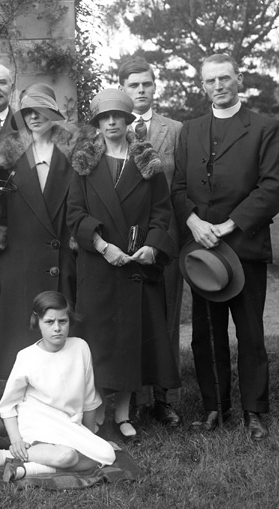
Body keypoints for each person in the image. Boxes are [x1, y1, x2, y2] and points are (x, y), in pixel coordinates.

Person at [171, 54, 279, 440]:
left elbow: (273, 187)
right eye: (210, 81)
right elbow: (178, 189)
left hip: (244, 245)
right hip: (202, 248)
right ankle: (214, 408)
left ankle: (255, 410)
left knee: (250, 332)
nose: (218, 86)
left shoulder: (264, 127)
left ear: (238, 80)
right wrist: (194, 222)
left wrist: (228, 225)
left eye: (225, 78)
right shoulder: (190, 130)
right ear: (202, 86)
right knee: (206, 333)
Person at [66, 88, 180, 440]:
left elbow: (163, 213)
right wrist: (101, 245)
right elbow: (74, 214)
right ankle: (96, 409)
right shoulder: (84, 164)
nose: (111, 122)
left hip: (135, 266)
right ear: (97, 123)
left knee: (131, 339)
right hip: (99, 267)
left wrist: (151, 247)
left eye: (117, 116)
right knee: (98, 341)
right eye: (104, 118)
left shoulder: (148, 164)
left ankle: (123, 413)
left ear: (129, 120)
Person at [0, 83, 77, 382]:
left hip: (60, 257)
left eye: (41, 110)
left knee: (58, 336)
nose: (34, 117)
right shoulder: (8, 155)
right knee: (22, 340)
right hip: (20, 260)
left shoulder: (75, 155)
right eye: (27, 111)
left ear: (53, 113)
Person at [0, 291, 115, 481]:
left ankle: (26, 466)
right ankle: (6, 455)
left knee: (107, 454)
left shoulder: (80, 347)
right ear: (38, 323)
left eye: (63, 321)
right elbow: (8, 404)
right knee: (67, 456)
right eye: (50, 322)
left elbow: (89, 399)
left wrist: (89, 436)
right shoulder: (27, 356)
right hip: (37, 421)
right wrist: (16, 440)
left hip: (69, 422)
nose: (57, 328)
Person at [118, 58, 184, 427]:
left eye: (146, 84)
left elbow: (180, 184)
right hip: (123, 239)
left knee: (166, 315)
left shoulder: (175, 130)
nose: (141, 91)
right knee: (130, 316)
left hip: (165, 236)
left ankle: (163, 398)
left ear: (154, 86)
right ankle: (132, 397)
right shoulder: (112, 129)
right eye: (133, 85)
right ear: (123, 88)